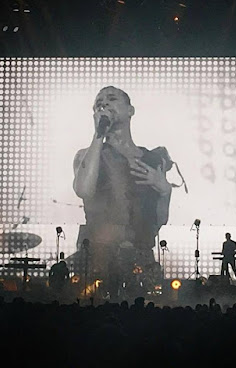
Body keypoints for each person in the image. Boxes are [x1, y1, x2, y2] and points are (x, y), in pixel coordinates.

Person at [70, 86, 173, 300]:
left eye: (111, 99)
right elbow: (83, 189)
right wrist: (99, 134)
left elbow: (160, 220)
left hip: (141, 258)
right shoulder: (87, 157)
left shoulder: (151, 160)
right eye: (99, 103)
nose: (104, 104)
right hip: (100, 257)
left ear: (130, 110)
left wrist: (165, 191)